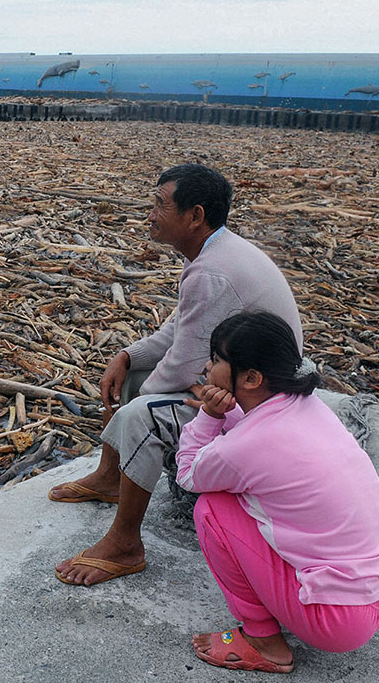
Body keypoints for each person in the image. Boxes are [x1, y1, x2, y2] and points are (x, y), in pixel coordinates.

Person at [52, 163, 302, 586]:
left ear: (195, 216)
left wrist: (135, 407)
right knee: (134, 382)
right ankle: (111, 478)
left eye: (160, 204)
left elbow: (184, 362)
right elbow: (180, 330)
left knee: (138, 416)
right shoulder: (217, 252)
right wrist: (127, 357)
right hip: (239, 374)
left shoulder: (210, 271)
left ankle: (125, 544)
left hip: (260, 400)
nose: (150, 214)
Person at [177, 311, 379, 673]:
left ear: (250, 378)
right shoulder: (311, 407)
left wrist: (208, 416)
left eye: (217, 359)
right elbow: (258, 436)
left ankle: (263, 643)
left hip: (338, 621)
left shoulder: (244, 447)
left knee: (212, 508)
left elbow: (188, 474)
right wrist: (228, 412)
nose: (207, 367)